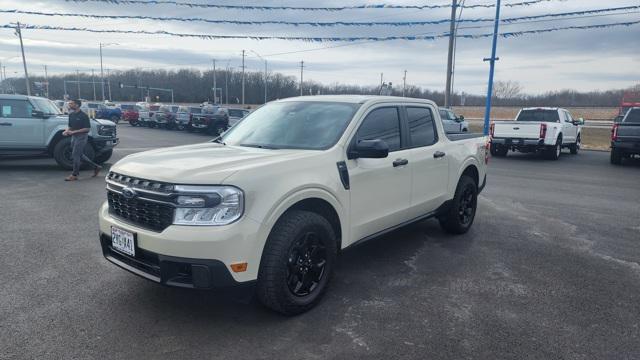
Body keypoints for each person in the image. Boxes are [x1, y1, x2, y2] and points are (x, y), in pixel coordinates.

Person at [63, 99, 101, 181]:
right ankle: (96, 167)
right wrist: (66, 131)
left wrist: (74, 132)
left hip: (82, 137)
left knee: (75, 155)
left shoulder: (84, 116)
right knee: (79, 154)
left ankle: (74, 174)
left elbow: (87, 129)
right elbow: (70, 126)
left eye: (71, 103)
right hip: (74, 136)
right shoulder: (71, 115)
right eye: (69, 103)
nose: (69, 105)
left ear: (77, 105)